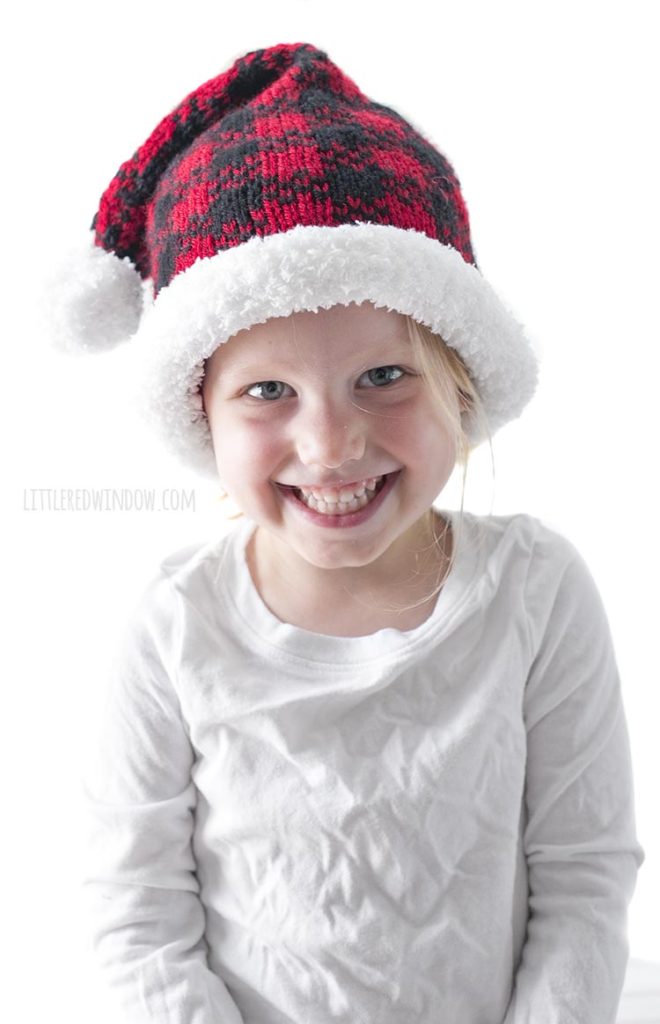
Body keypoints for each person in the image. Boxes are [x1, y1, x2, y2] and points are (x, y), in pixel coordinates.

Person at [49, 42, 644, 1024]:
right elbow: (137, 922)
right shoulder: (173, 627)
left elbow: (583, 884)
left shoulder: (537, 592)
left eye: (383, 376)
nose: (331, 445)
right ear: (202, 413)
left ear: (461, 378)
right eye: (268, 391)